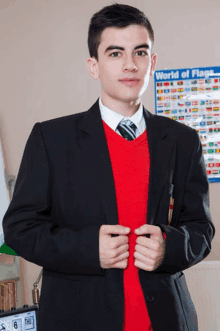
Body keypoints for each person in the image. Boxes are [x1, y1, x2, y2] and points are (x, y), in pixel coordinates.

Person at [2, 3, 215, 331]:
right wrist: (88, 248)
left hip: (165, 320)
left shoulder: (183, 141)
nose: (130, 65)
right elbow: (19, 228)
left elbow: (201, 229)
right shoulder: (51, 138)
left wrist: (169, 247)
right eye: (115, 53)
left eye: (140, 52)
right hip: (77, 319)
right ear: (93, 65)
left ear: (152, 62)